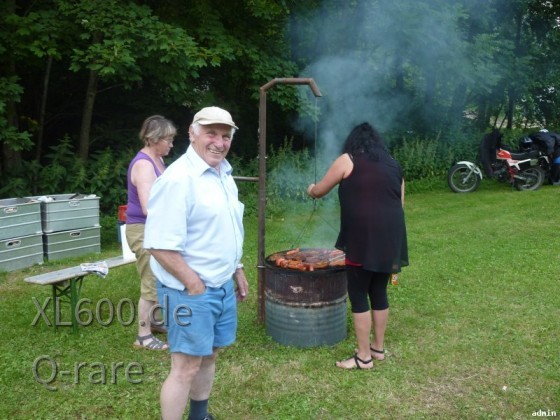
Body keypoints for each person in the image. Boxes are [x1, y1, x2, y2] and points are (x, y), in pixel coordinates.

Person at [144, 106, 249, 420]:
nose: (219, 142)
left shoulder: (223, 174)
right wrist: (194, 285)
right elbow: (159, 245)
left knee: (209, 356)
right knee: (185, 367)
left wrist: (237, 267)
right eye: (211, 133)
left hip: (220, 285)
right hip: (190, 291)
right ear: (192, 133)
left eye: (225, 135)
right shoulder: (178, 179)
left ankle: (199, 416)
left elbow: (225, 228)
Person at [306, 122, 408, 370]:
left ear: (353, 141)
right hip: (391, 237)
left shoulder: (348, 159)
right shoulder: (394, 165)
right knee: (379, 291)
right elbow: (400, 204)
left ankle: (363, 357)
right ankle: (378, 349)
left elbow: (320, 190)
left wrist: (310, 189)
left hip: (362, 238)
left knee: (359, 293)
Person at [126, 115, 176, 351]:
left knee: (159, 276)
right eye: (167, 139)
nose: (171, 144)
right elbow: (149, 207)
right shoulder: (144, 165)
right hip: (143, 229)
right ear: (153, 139)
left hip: (154, 228)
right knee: (151, 281)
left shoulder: (157, 160)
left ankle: (155, 322)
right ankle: (143, 336)